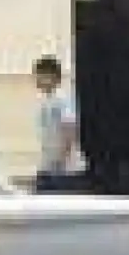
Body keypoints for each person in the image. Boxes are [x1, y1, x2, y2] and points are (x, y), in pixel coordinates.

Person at [32, 55, 83, 192]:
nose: (37, 80)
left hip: (64, 167)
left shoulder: (63, 99)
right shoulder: (46, 101)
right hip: (49, 163)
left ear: (53, 77)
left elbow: (70, 128)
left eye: (41, 76)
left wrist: (61, 160)